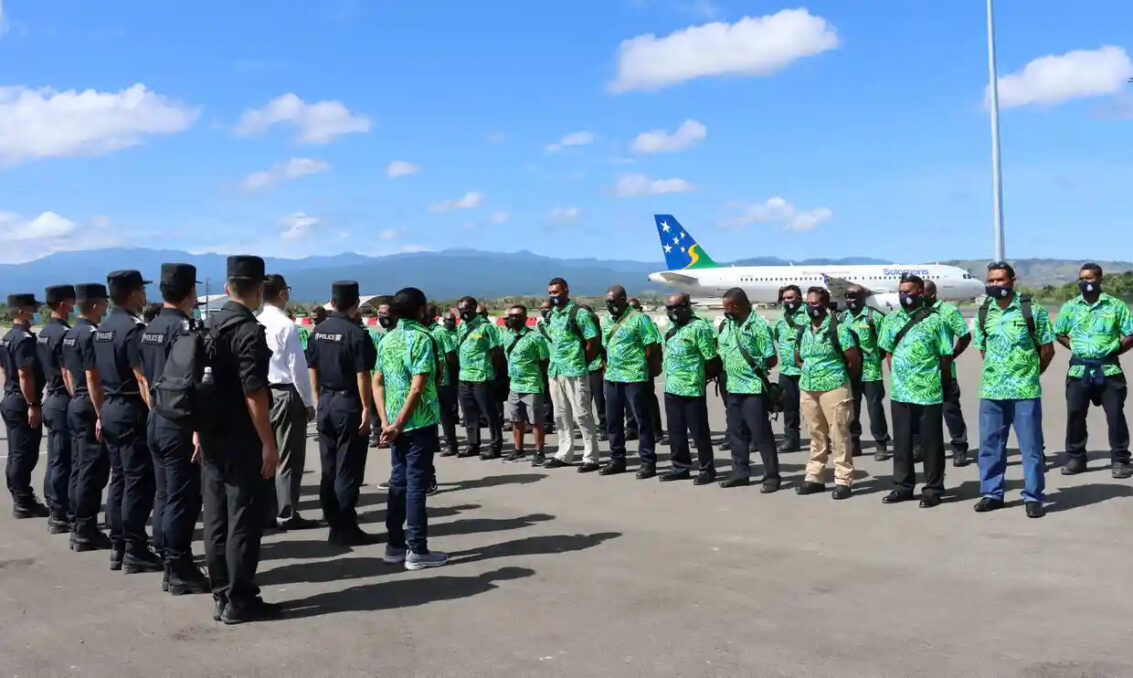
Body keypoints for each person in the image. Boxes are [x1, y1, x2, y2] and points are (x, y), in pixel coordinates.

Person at [199, 255, 280, 624]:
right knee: (243, 520)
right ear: (259, 288)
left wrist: (198, 431)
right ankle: (240, 598)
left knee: (216, 519)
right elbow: (254, 392)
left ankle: (221, 595)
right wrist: (268, 442)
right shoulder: (248, 330)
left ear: (228, 286)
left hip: (211, 434)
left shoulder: (208, 324)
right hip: (241, 436)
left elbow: (198, 386)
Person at [139, 263, 211, 595]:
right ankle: (180, 566)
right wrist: (197, 429)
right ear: (190, 292)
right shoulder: (184, 329)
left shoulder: (150, 327)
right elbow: (190, 384)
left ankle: (171, 564)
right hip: (179, 421)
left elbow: (144, 377)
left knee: (165, 495)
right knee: (182, 498)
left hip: (156, 417)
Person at [972, 262, 1055, 519]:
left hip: (1025, 392)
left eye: (1000, 280)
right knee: (990, 446)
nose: (996, 285)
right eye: (992, 281)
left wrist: (1029, 373)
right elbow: (983, 348)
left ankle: (1033, 497)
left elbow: (1047, 349)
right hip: (992, 392)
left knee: (1030, 448)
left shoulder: (1032, 310)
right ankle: (992, 494)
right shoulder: (984, 312)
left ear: (1013, 281)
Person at [374, 286, 448, 570]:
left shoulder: (387, 339)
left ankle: (394, 545)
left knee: (398, 482)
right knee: (416, 486)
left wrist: (385, 421)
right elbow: (418, 387)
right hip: (417, 422)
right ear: (421, 310)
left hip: (393, 422)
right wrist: (400, 422)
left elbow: (377, 381)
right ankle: (417, 549)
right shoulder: (423, 338)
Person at [94, 270, 163, 574]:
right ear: (134, 294)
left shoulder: (104, 328)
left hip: (110, 407)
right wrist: (157, 414)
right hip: (132, 409)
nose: (145, 296)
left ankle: (120, 543)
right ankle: (135, 548)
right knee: (139, 481)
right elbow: (142, 378)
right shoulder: (133, 330)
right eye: (142, 291)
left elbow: (92, 376)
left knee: (120, 478)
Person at [306, 281, 378, 546]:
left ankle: (333, 523)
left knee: (329, 468)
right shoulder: (356, 334)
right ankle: (345, 528)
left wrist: (317, 397)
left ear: (332, 302)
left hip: (325, 400)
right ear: (356, 304)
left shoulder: (319, 331)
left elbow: (311, 366)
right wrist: (367, 408)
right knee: (348, 469)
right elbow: (363, 374)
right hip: (348, 404)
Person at [877, 274, 954, 508]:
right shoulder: (890, 320)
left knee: (931, 443)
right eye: (901, 292)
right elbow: (888, 350)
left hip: (928, 390)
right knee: (902, 442)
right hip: (901, 392)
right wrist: (897, 375)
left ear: (921, 293)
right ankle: (903, 486)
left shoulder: (936, 321)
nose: (904, 296)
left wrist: (943, 381)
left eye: (909, 292)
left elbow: (945, 354)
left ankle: (933, 488)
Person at [1055, 263, 1133, 478]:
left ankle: (1120, 460)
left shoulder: (1115, 306)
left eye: (1089, 278)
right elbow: (1058, 332)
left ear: (1100, 280)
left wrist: (1116, 349)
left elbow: (1130, 332)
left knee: (1115, 415)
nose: (1085, 282)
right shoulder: (1071, 306)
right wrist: (1074, 347)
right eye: (1082, 278)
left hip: (1108, 370)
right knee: (1075, 415)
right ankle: (1076, 458)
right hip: (1078, 371)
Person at [259, 274, 318, 529]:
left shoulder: (256, 321)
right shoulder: (287, 325)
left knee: (266, 452)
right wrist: (307, 401)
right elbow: (297, 369)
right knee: (289, 457)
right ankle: (287, 511)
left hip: (262, 393)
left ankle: (268, 510)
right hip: (285, 391)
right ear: (282, 294)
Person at [795, 288, 861, 500]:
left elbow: (854, 360)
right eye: (808, 303)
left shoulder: (838, 329)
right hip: (808, 388)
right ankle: (815, 476)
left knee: (839, 434)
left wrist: (839, 378)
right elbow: (799, 357)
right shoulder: (803, 331)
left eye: (815, 303)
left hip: (834, 387)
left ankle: (843, 480)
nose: (810, 307)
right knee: (816, 433)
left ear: (824, 305)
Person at [64, 284, 114, 551]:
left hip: (77, 400)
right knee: (92, 470)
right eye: (104, 303)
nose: (106, 307)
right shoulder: (93, 334)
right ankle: (85, 529)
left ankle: (77, 521)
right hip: (90, 402)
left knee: (79, 465)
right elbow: (92, 376)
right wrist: (99, 412)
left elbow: (68, 374)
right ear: (95, 306)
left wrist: (77, 397)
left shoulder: (71, 333)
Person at [717, 289, 780, 490]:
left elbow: (771, 358)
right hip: (732, 387)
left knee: (761, 434)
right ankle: (740, 472)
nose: (726, 311)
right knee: (736, 433)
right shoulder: (727, 325)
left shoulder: (759, 326)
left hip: (753, 388)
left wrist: (754, 366)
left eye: (728, 307)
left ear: (738, 305)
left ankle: (772, 476)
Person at [599, 285, 662, 478]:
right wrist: (605, 368)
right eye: (607, 302)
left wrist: (649, 372)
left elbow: (650, 346)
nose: (610, 305)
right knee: (613, 421)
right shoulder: (607, 321)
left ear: (623, 299)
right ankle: (617, 459)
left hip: (634, 377)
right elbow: (605, 347)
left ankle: (647, 462)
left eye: (614, 301)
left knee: (642, 421)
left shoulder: (639, 319)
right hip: (612, 378)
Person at [659, 292, 722, 484]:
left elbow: (711, 359)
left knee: (699, 432)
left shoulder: (699, 327)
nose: (672, 312)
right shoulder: (671, 328)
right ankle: (680, 467)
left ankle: (707, 469)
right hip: (672, 388)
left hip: (692, 389)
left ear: (686, 306)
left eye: (675, 307)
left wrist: (702, 378)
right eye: (669, 308)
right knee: (676, 431)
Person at [542, 278, 603, 471]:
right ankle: (564, 453)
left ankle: (590, 457)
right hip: (556, 371)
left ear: (566, 291)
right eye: (551, 293)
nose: (554, 296)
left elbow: (592, 340)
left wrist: (582, 360)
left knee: (582, 414)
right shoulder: (552, 315)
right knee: (561, 415)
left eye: (557, 292)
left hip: (575, 371)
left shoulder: (579, 313)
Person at [2, 293, 48, 519]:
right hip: (22, 401)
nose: (35, 312)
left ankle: (20, 495)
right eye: (31, 308)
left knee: (15, 452)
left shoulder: (8, 337)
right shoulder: (24, 339)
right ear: (20, 311)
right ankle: (23, 500)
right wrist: (32, 403)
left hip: (11, 397)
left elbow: (3, 369)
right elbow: (25, 373)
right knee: (25, 454)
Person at [38, 285, 76, 533]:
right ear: (63, 304)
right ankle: (60, 512)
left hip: (49, 396)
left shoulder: (42, 333)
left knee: (55, 457)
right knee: (64, 458)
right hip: (62, 398)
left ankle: (55, 505)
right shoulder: (63, 334)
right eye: (71, 302)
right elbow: (67, 372)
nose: (74, 306)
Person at [925, 280, 972, 467]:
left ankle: (960, 448)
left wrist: (953, 355)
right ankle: (922, 448)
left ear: (932, 293)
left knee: (950, 411)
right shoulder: (916, 314)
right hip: (921, 375)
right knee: (924, 415)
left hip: (944, 372)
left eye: (922, 292)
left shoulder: (948, 311)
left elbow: (965, 335)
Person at [841, 285, 890, 461]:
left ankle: (881, 443)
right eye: (847, 296)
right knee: (851, 409)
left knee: (874, 408)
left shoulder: (873, 317)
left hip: (871, 372)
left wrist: (875, 358)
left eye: (854, 296)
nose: (850, 300)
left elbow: (885, 344)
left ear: (863, 297)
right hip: (850, 371)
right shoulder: (842, 318)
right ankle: (854, 442)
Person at [455, 296, 505, 459]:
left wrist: (492, 373)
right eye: (461, 310)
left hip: (482, 377)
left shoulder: (485, 327)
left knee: (490, 414)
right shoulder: (461, 326)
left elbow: (496, 352)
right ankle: (472, 445)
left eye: (467, 309)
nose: (464, 313)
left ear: (475, 308)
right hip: (464, 377)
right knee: (469, 414)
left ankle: (495, 446)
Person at [501, 304, 550, 463]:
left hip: (531, 385)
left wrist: (541, 383)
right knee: (516, 420)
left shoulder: (535, 337)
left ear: (525, 318)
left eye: (518, 316)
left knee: (536, 421)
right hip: (514, 385)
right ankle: (518, 449)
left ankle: (539, 452)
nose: (514, 319)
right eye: (511, 316)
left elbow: (544, 360)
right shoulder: (507, 336)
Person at [624, 297, 665, 445]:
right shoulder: (624, 324)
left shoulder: (647, 323)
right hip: (627, 370)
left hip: (645, 367)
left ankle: (656, 430)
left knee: (648, 400)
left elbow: (655, 346)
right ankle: (631, 428)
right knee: (629, 401)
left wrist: (654, 366)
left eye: (636, 308)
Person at [772, 285, 807, 452]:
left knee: (813, 410)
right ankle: (791, 440)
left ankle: (822, 441)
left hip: (806, 371)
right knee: (789, 408)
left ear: (799, 298)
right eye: (785, 298)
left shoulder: (809, 316)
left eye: (791, 297)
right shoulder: (780, 320)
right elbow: (777, 338)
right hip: (786, 371)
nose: (787, 301)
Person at [427, 304, 461, 457]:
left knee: (445, 414)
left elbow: (451, 356)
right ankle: (433, 441)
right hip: (426, 379)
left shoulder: (440, 332)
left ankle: (451, 444)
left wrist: (453, 378)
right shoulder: (421, 332)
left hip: (443, 380)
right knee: (429, 412)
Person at [533, 299, 558, 435]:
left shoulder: (557, 324)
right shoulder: (539, 325)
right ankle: (545, 421)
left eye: (547, 308)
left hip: (555, 361)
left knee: (554, 394)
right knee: (544, 394)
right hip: (542, 362)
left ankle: (552, 422)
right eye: (542, 308)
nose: (544, 310)